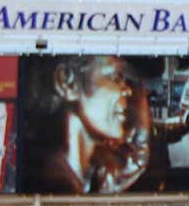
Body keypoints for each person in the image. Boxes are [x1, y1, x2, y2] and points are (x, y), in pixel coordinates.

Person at [21, 55, 148, 194]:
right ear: (68, 83)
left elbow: (135, 158)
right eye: (115, 78)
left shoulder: (93, 178)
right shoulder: (47, 182)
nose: (128, 90)